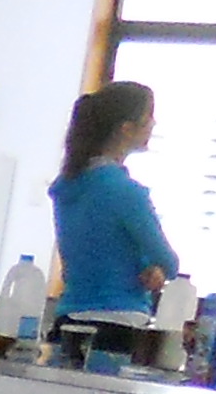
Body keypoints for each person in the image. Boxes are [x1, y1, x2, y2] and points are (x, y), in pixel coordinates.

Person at [49, 81, 183, 312]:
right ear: (126, 128)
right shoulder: (124, 190)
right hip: (118, 314)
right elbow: (168, 262)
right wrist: (152, 267)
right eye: (148, 116)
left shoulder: (67, 185)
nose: (153, 123)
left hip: (70, 312)